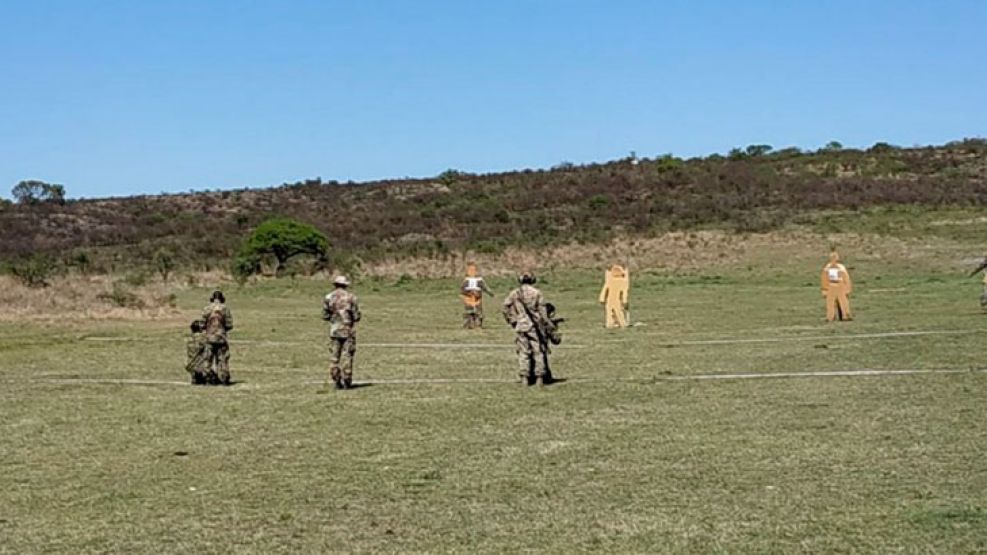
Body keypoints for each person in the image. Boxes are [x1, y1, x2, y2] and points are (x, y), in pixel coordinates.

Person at [502, 272, 551, 386]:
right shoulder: (537, 293)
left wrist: (512, 320)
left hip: (521, 325)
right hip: (535, 326)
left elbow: (505, 307)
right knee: (538, 352)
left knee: (523, 352)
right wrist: (546, 325)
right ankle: (540, 378)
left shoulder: (514, 293)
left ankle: (525, 377)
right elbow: (543, 312)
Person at [322, 275, 362, 390]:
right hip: (348, 330)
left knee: (334, 358)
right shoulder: (351, 297)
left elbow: (325, 315)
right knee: (347, 355)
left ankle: (336, 379)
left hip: (334, 331)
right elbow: (356, 316)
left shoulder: (328, 297)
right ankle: (347, 380)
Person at [201, 290, 234, 385]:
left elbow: (202, 324)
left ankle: (207, 379)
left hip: (209, 338)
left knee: (207, 359)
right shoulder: (225, 309)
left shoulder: (207, 309)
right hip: (221, 338)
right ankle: (223, 379)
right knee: (222, 359)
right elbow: (229, 325)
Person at [460, 262, 495, 329]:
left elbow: (485, 287)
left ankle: (477, 325)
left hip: (477, 298)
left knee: (477, 312)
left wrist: (490, 293)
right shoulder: (466, 280)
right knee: (469, 312)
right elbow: (462, 290)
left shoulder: (479, 280)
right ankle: (468, 324)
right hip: (469, 298)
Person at [820, 252, 853, 322]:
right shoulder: (827, 268)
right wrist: (824, 289)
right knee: (830, 303)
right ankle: (830, 317)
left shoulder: (841, 268)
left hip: (840, 286)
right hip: (831, 286)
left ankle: (845, 315)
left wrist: (847, 288)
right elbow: (824, 279)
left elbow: (846, 278)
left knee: (843, 302)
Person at [185, 320, 209, 385]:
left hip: (190, 364)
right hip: (200, 364)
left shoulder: (190, 338)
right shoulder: (201, 338)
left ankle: (195, 377)